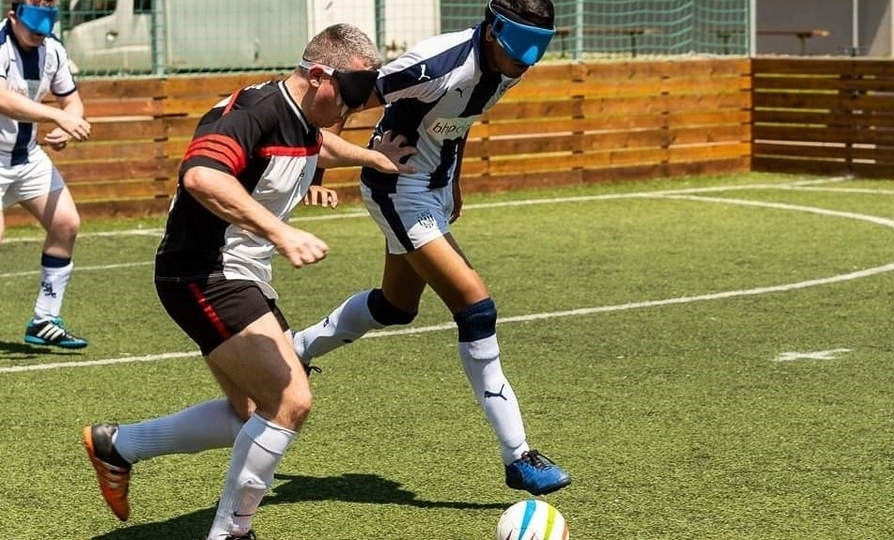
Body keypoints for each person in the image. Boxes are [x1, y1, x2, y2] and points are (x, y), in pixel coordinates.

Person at [81, 24, 415, 540]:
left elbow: (316, 145)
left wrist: (373, 158)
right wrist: (281, 232)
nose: (354, 110)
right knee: (290, 401)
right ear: (319, 76)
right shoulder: (250, 113)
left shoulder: (301, 117)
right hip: (203, 272)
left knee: (253, 413)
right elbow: (201, 177)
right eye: (351, 95)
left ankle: (118, 446)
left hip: (239, 274)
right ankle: (232, 532)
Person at [295, 0, 570, 497]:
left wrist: (453, 181)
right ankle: (519, 456)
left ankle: (299, 347)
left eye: (540, 48)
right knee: (475, 305)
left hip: (433, 189)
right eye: (521, 46)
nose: (528, 60)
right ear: (491, 30)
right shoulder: (434, 64)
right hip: (398, 189)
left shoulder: (510, 66)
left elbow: (455, 123)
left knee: (395, 307)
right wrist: (317, 167)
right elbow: (346, 96)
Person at [0, 0, 92, 349]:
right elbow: (2, 99)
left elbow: (73, 103)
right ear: (13, 17)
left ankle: (44, 319)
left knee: (66, 223)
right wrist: (56, 117)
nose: (40, 36)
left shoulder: (52, 48)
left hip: (26, 157)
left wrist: (68, 127)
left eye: (45, 29)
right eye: (33, 29)